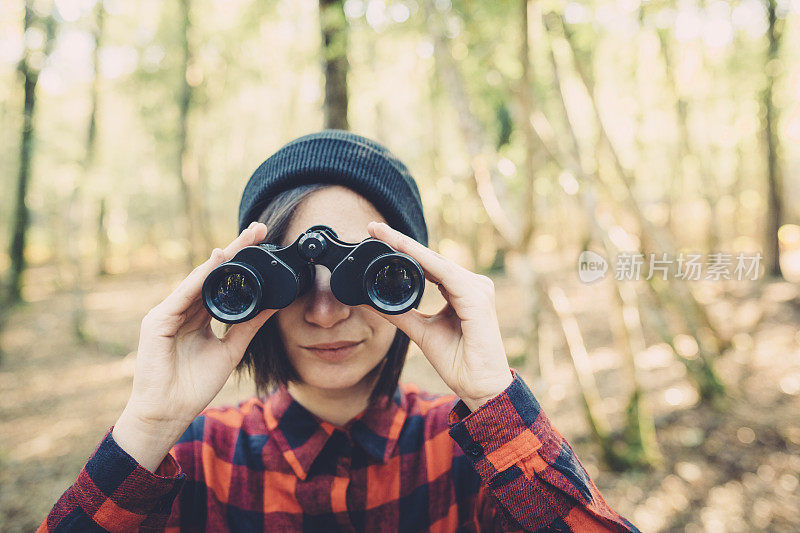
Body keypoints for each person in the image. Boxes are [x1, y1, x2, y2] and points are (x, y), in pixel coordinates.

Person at [38, 130, 639, 532]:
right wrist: (149, 425)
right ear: (249, 286)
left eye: (364, 275)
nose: (326, 313)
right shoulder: (192, 462)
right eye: (294, 279)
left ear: (414, 275)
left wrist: (494, 399)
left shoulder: (475, 456)